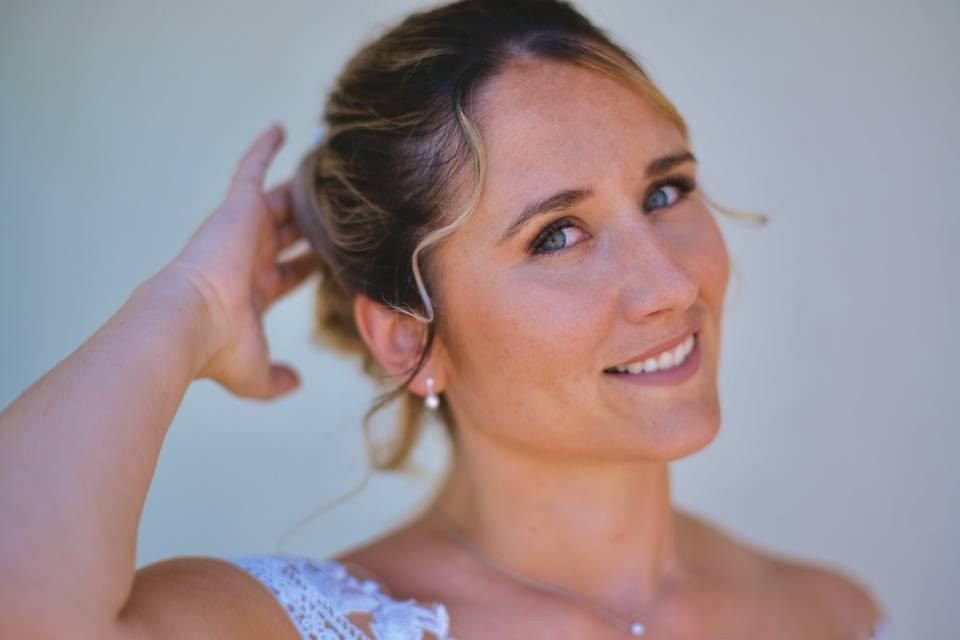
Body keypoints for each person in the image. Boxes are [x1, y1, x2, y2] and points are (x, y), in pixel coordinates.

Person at [0, 1, 892, 638]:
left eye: (666, 191)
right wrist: (184, 305)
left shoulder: (836, 614)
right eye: (558, 235)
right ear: (407, 338)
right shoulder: (291, 629)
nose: (669, 283)